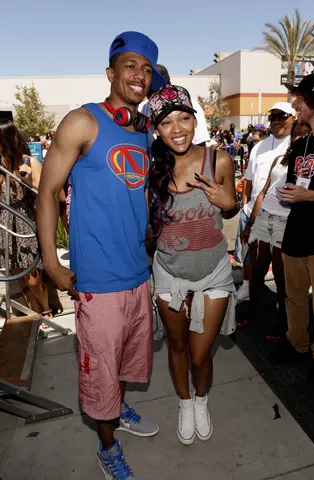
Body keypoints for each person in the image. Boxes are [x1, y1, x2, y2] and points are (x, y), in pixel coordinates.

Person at [37, 31, 166, 480]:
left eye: (147, 69)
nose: (140, 75)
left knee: (128, 362)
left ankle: (119, 407)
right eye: (131, 65)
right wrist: (52, 262)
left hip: (137, 273)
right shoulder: (82, 121)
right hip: (98, 281)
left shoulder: (145, 133)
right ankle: (107, 446)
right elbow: (48, 192)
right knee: (99, 372)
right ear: (111, 72)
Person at [147, 84, 239, 445]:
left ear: (194, 119)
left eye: (183, 118)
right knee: (178, 346)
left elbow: (231, 205)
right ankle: (185, 403)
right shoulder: (152, 169)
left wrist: (226, 201)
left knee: (201, 355)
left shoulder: (218, 160)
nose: (177, 128)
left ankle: (202, 400)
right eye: (167, 122)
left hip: (213, 270)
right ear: (156, 129)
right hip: (169, 273)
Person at [241, 122, 310, 341]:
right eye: (296, 136)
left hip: (285, 222)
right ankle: (252, 313)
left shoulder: (307, 165)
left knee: (281, 277)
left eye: (303, 136)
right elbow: (262, 193)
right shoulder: (279, 159)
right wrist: (250, 223)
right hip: (262, 219)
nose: (298, 140)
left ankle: (282, 323)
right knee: (257, 270)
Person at [271, 74, 314, 381]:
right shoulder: (301, 144)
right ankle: (297, 343)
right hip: (296, 231)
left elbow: (307, 191)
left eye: (299, 98)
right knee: (294, 296)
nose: (294, 104)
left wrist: (309, 195)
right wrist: (289, 192)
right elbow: (295, 184)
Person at [235, 103, 295, 312]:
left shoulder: (296, 145)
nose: (276, 121)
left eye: (282, 116)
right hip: (253, 211)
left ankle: (284, 308)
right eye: (273, 117)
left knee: (281, 270)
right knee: (250, 260)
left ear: (293, 118)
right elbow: (249, 179)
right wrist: (245, 207)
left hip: (283, 217)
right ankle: (246, 290)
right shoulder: (259, 145)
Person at [0, 120, 52, 322]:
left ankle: (46, 310)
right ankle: (35, 315)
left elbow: (44, 193)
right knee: (19, 276)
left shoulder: (29, 163)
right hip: (5, 228)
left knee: (33, 279)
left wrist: (28, 179)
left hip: (24, 226)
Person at [140, 64, 210, 146]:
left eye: (184, 119)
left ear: (169, 83)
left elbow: (200, 144)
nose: (156, 98)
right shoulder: (142, 108)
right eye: (150, 91)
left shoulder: (191, 105)